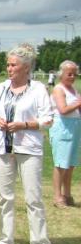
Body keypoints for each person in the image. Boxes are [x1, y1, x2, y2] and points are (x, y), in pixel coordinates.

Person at [0, 44, 52, 244]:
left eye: (13, 65)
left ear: (26, 67)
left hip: (29, 148)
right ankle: (5, 240)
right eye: (8, 65)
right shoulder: (1, 88)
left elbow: (48, 119)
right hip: (3, 148)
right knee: (5, 197)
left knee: (33, 197)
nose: (9, 69)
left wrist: (24, 125)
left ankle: (40, 243)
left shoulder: (38, 89)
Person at [49, 60, 81, 207]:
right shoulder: (58, 89)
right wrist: (78, 103)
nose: (73, 77)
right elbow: (63, 109)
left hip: (75, 128)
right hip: (62, 128)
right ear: (61, 74)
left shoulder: (74, 89)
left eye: (75, 74)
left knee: (71, 164)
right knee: (61, 164)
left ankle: (67, 194)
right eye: (69, 74)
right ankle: (57, 196)